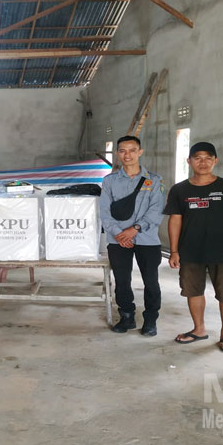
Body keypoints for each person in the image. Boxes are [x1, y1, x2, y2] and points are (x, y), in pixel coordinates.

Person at [163, 142, 223, 352]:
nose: (203, 162)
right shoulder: (179, 189)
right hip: (190, 251)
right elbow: (175, 220)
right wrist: (174, 251)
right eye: (198, 158)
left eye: (208, 158)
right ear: (189, 161)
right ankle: (199, 329)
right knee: (193, 291)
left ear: (215, 161)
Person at [99, 136, 164, 336]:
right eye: (122, 150)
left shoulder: (154, 180)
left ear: (140, 152)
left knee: (150, 281)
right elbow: (104, 211)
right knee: (122, 280)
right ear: (117, 153)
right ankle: (127, 316)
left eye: (132, 150)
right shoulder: (109, 181)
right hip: (118, 240)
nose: (127, 155)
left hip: (147, 238)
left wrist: (134, 229)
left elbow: (156, 210)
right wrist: (119, 233)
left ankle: (150, 320)